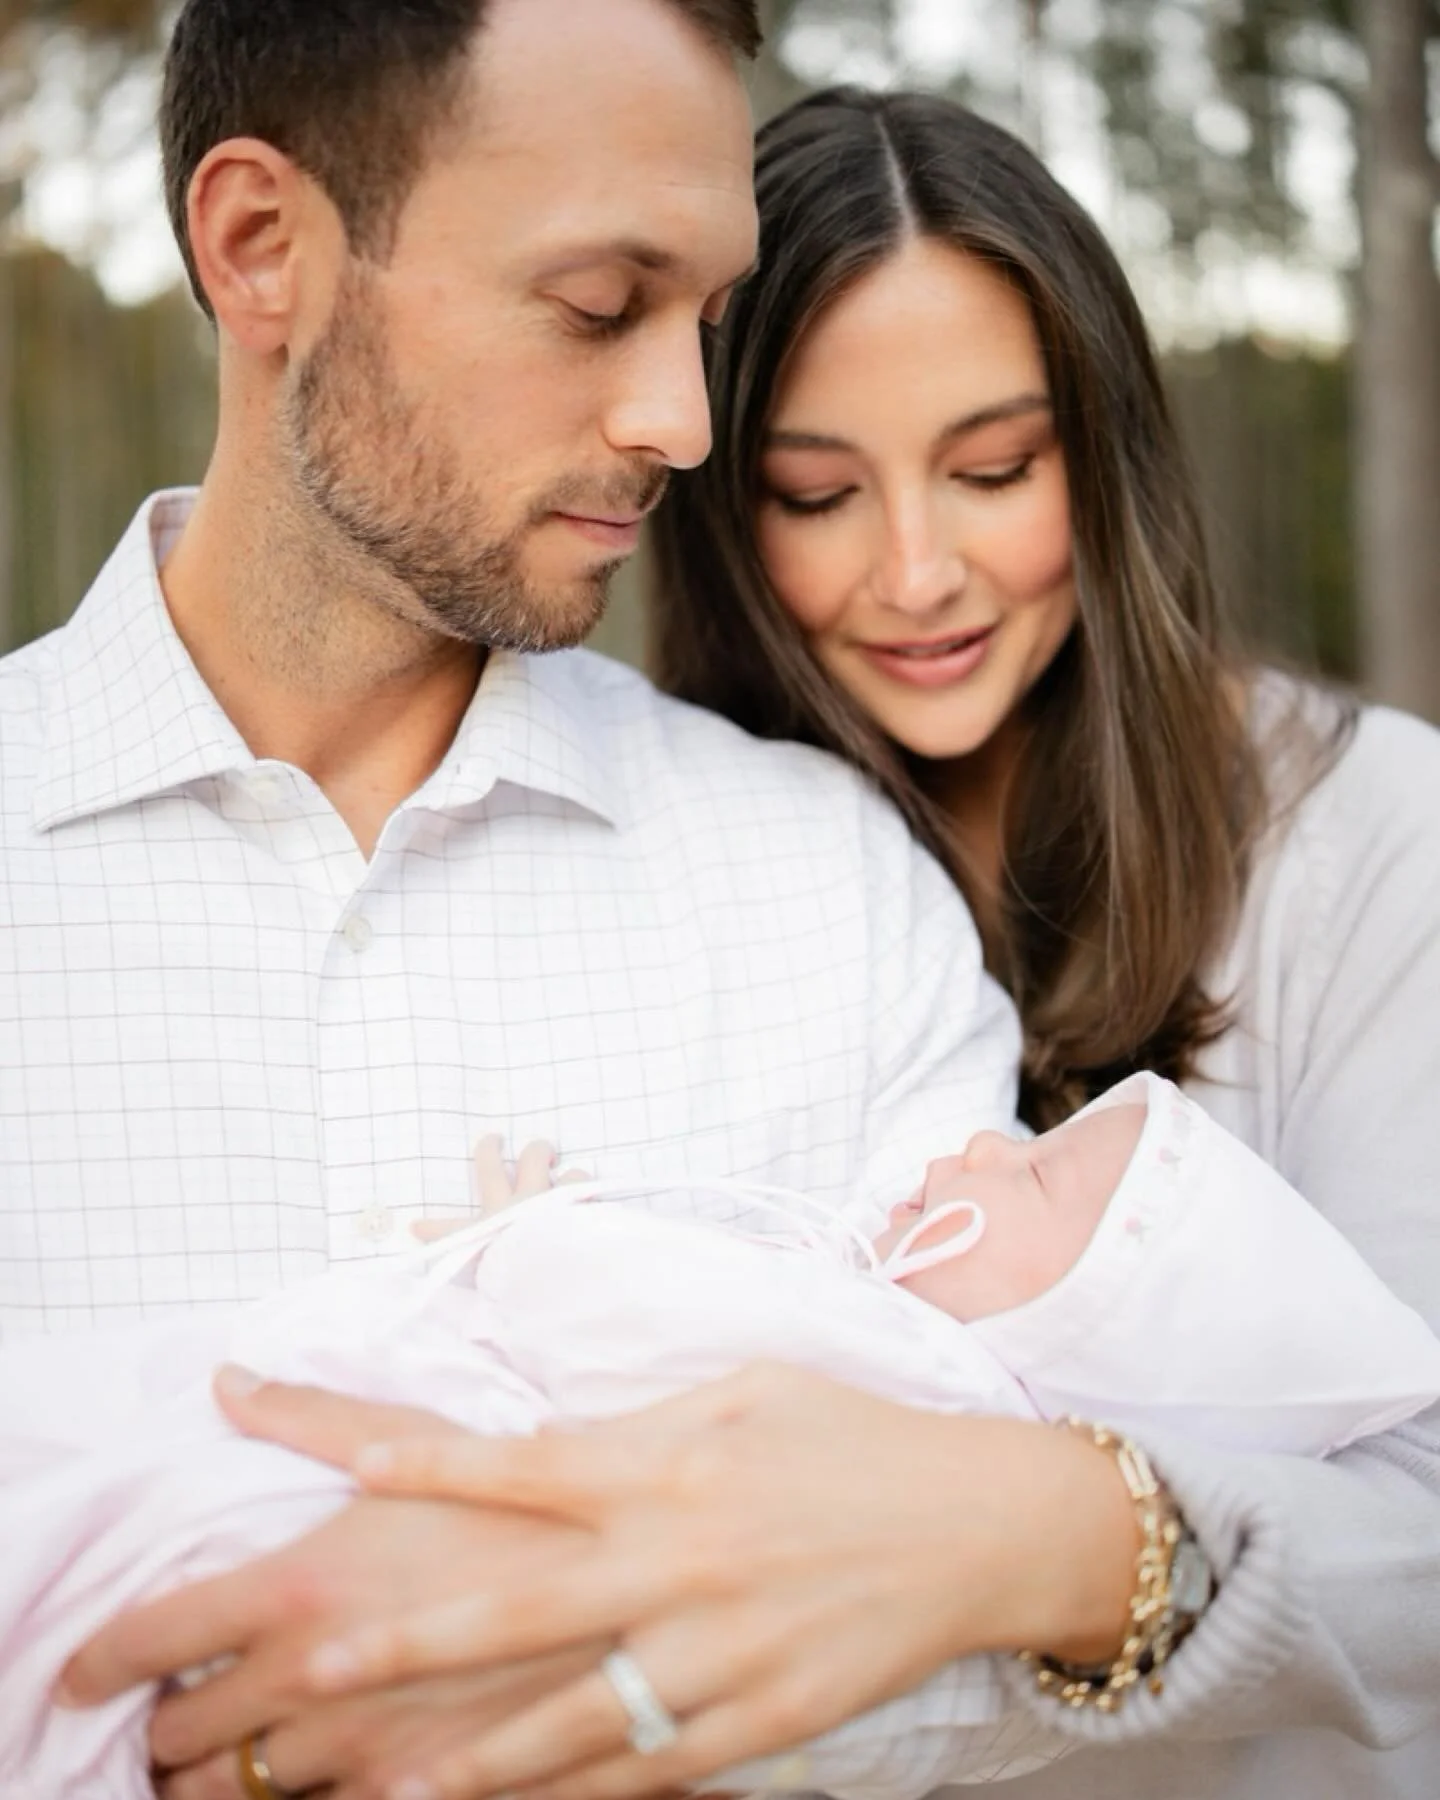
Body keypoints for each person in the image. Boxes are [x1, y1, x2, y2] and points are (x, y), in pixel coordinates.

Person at [102, 87, 1440, 1800]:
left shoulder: (1374, 837)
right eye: (817, 494)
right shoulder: (710, 855)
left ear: (1105, 460)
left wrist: (1030, 1531)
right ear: (723, 513)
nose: (918, 572)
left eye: (995, 472)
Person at [0, 8, 1051, 1793]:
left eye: (704, 322)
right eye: (596, 306)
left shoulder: (835, 900)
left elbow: (1013, 1615)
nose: (684, 425)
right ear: (260, 245)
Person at [16, 1078, 1440, 1798]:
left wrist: (544, 1235)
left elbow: (636, 1319)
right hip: (405, 1517)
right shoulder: (902, 1362)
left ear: (1090, 1325)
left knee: (111, 1513)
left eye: (1039, 1177)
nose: (983, 1149)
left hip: (360, 1492)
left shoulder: (913, 1375)